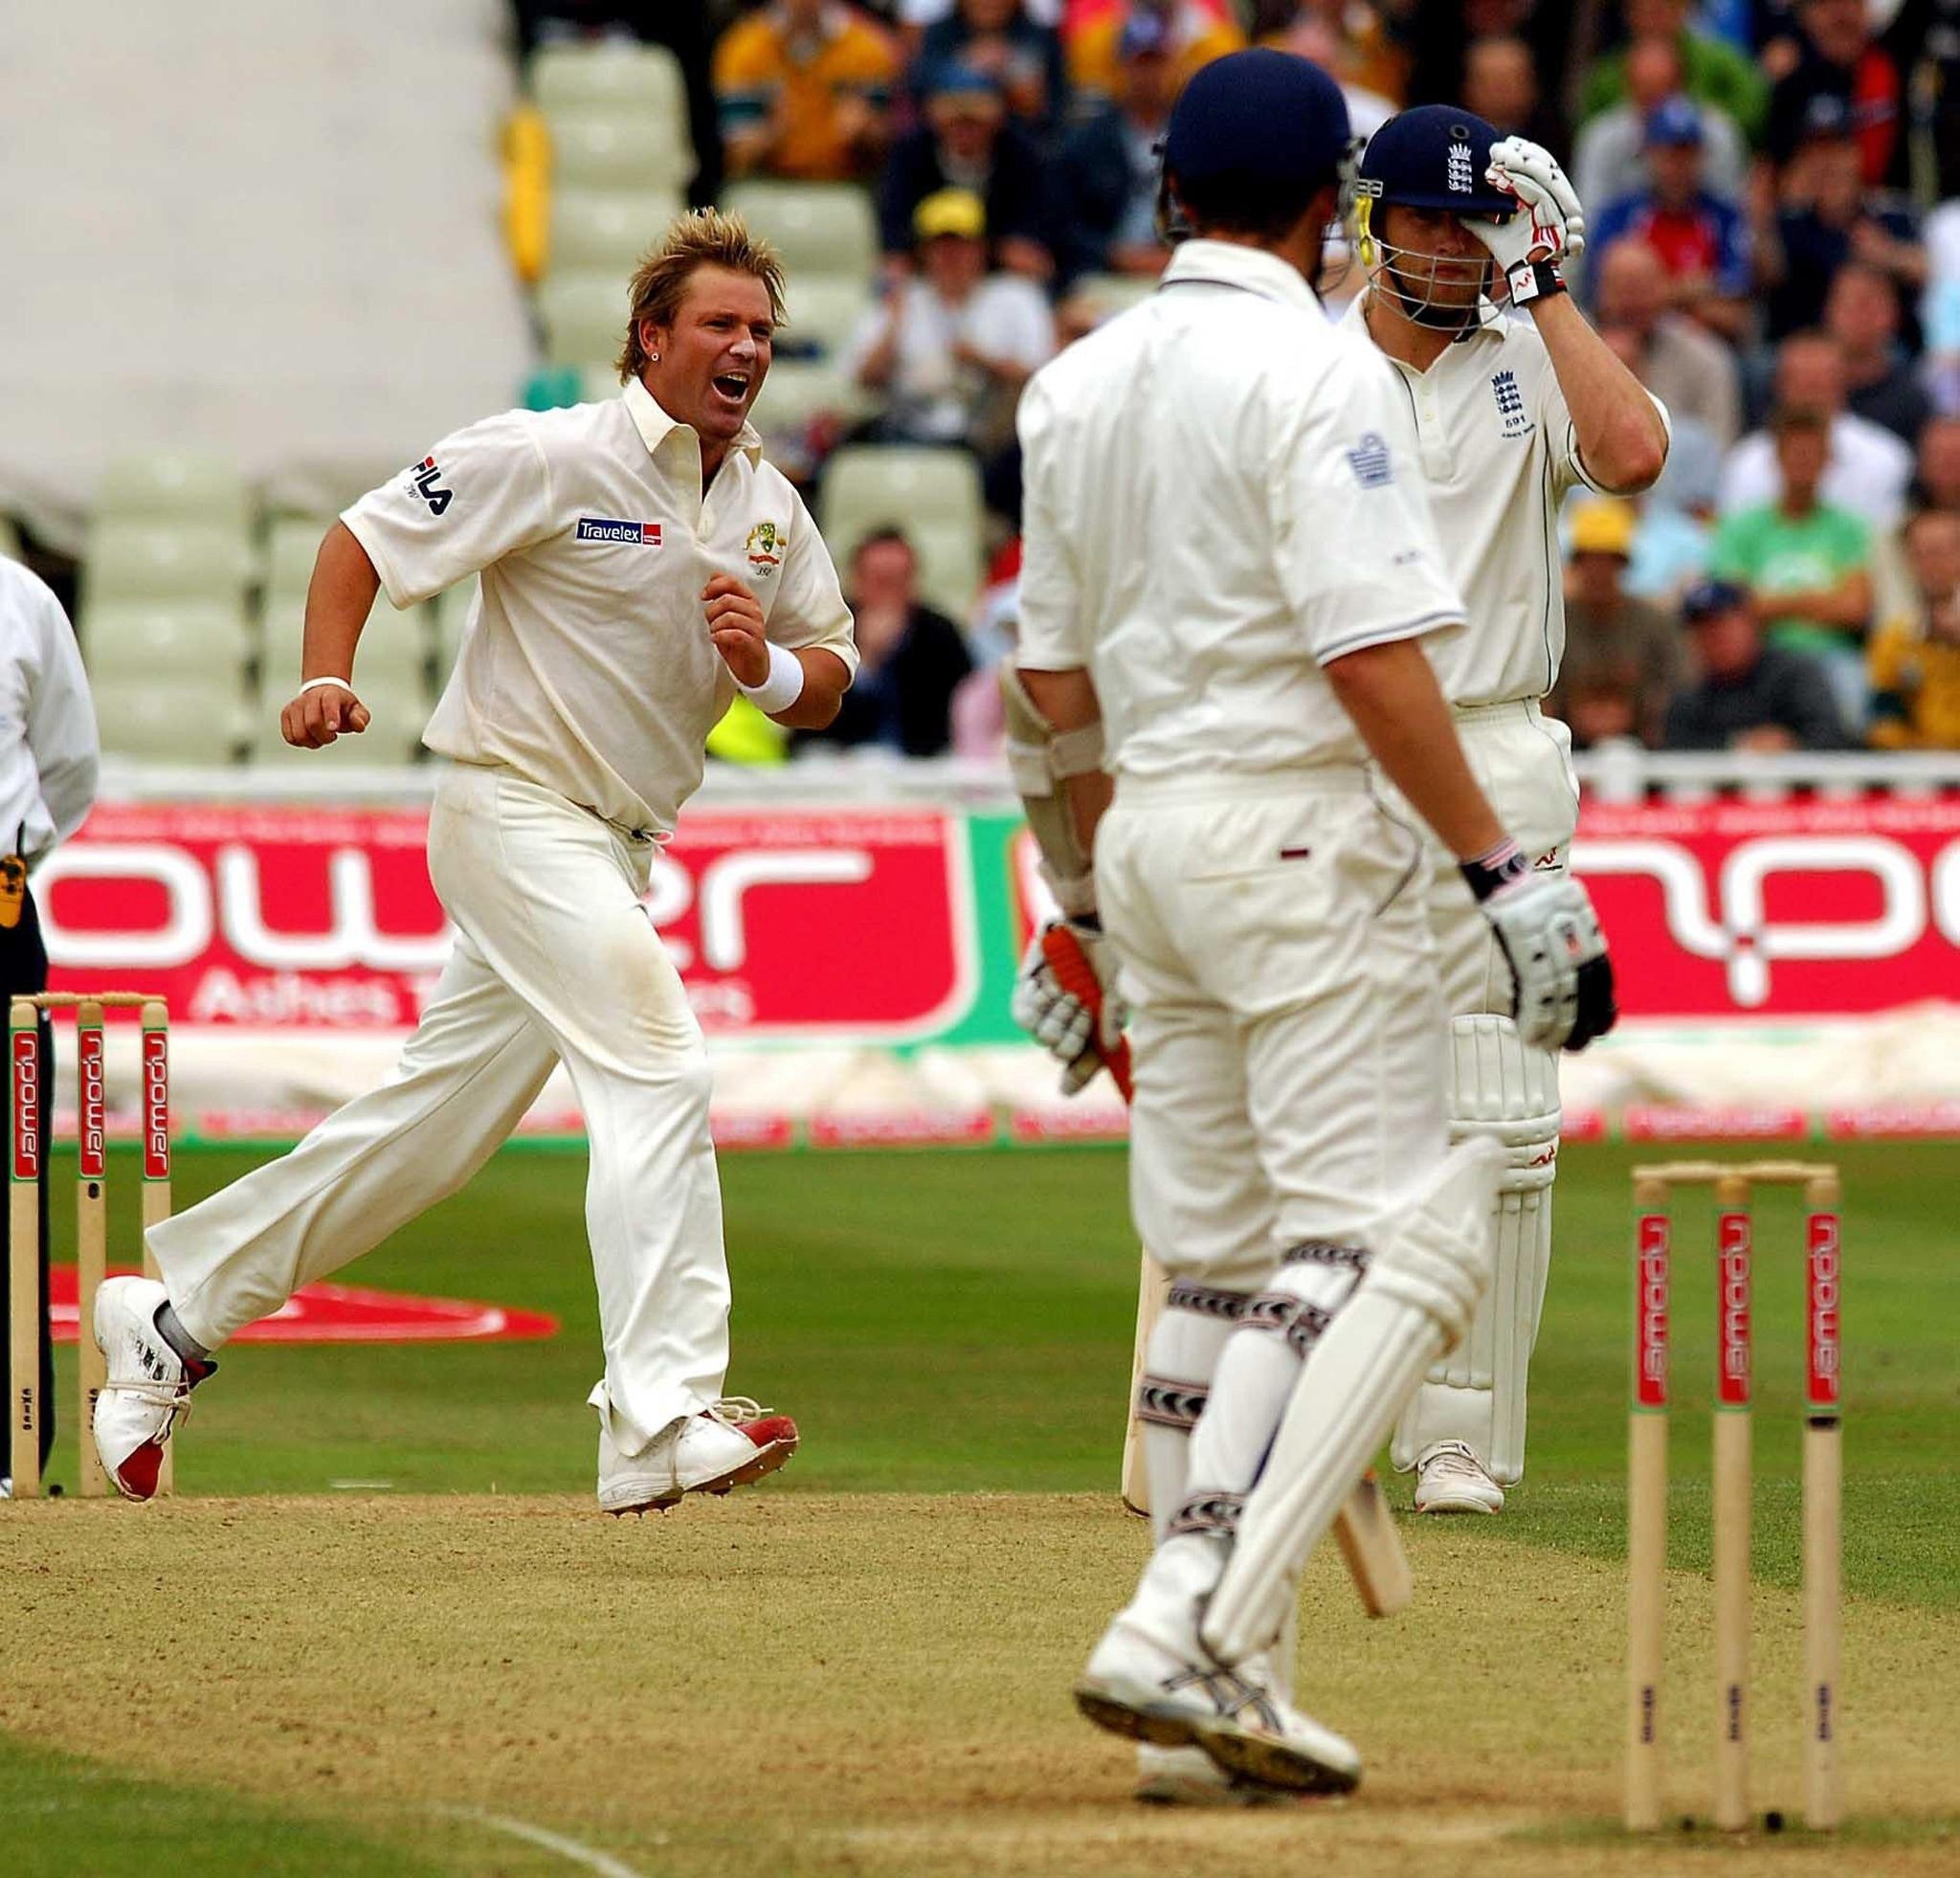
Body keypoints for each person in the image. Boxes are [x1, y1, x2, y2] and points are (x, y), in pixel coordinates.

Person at [1007, 50, 1616, 1802]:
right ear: (1327, 206)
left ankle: (1224, 1695)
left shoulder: (1074, 383)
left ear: (1169, 185)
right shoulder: (1317, 372)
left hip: (1148, 850)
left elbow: (1044, 684)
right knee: (1417, 1236)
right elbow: (1370, 655)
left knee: (1225, 1264)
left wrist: (1075, 906)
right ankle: (1190, 1604)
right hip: (1296, 840)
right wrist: (1504, 874)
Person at [87, 212, 858, 1510]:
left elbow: (824, 675)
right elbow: (365, 537)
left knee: (427, 1137)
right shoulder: (555, 452)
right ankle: (658, 1415)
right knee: (658, 1055)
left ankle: (168, 1317)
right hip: (509, 807)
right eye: (720, 324)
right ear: (652, 337)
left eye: (763, 331)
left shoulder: (767, 508)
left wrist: (762, 666)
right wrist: (325, 673)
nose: (747, 348)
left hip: (614, 847)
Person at [1339, 103, 1667, 1515]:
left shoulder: (1528, 341)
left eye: (1478, 228)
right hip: (1333, 749)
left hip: (1496, 748)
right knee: (1335, 1097)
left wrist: (1547, 289)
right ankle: (1327, 1410)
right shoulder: (1303, 359)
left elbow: (1636, 455)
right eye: (1431, 223)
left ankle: (1460, 1433)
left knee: (1502, 1105)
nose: (1457, 254)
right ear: (1376, 220)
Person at [0, 559, 98, 1496]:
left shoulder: (18, 597)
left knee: (12, 1183)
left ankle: (8, 1451)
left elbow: (69, 766)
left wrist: (13, 864)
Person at [1710, 406, 1874, 728]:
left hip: (1833, 656)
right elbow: (1736, 608)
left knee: (1853, 699)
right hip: (1759, 660)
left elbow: (1855, 609)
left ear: (1828, 460)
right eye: (1795, 453)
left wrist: (1774, 603)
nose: (1803, 463)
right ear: (1777, 458)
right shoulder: (1741, 528)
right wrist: (1819, 601)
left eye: (1812, 454)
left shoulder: (1850, 529)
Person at [795, 527, 974, 754]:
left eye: (899, 581)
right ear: (856, 581)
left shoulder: (940, 635)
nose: (889, 593)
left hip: (918, 761)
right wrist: (866, 663)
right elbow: (811, 718)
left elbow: (952, 718)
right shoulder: (826, 628)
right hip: (838, 757)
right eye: (881, 581)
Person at [1587, 96, 1749, 343]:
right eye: (1669, 154)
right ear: (1650, 154)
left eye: (1687, 153)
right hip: (1630, 342)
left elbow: (1734, 312)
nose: (1678, 165)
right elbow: (1605, 300)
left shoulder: (1724, 217)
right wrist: (1692, 289)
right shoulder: (1619, 215)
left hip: (1709, 343)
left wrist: (1651, 294)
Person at [1719, 330, 1913, 533]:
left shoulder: (1886, 457)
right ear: (1779, 385)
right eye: (1801, 381)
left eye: (1821, 381)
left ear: (1843, 384)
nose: (1810, 392)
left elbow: (1884, 543)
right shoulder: (1745, 461)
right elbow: (1736, 542)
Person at [878, 61, 1051, 278]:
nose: (965, 129)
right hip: (927, 268)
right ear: (931, 115)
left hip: (1000, 272)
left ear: (999, 115)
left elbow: (1034, 226)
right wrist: (902, 254)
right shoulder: (910, 155)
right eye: (955, 121)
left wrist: (1006, 248)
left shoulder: (1023, 156)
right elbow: (895, 222)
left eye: (975, 121)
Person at [1048, 11, 1179, 290]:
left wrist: (1177, 254)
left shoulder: (1192, 136)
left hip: (1177, 270)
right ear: (1120, 68)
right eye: (1139, 63)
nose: (1148, 75)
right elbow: (1066, 227)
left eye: (1156, 63)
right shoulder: (1087, 143)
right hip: (1106, 274)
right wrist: (1115, 254)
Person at [713, 0, 900, 183]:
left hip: (844, 185)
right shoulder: (744, 49)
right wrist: (774, 131)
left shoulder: (867, 49)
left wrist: (864, 131)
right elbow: (736, 158)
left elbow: (889, 148)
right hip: (765, 183)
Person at [1572, 34, 1747, 223]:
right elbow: (1585, 224)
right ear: (1629, 89)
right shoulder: (1600, 139)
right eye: (1646, 96)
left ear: (1682, 86)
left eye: (1662, 95)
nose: (1655, 109)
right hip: (1622, 246)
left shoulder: (1717, 135)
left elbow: (1732, 218)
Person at [1663, 577, 1850, 750]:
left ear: (1751, 623)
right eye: (1702, 630)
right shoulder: (1690, 692)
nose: (1714, 638)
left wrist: (1790, 744)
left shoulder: (1794, 675)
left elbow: (1831, 736)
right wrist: (1738, 744)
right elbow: (1674, 745)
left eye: (1722, 625)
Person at [1554, 499, 1682, 748]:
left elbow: (1679, 684)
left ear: (1622, 565)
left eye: (1608, 562)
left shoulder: (1653, 622)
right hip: (1567, 741)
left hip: (1645, 745)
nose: (1598, 571)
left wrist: (1635, 711)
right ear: (1577, 564)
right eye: (1590, 561)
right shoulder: (1556, 621)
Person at [1592, 237, 1739, 449]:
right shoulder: (1567, 350)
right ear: (1601, 292)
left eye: (1642, 289)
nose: (1632, 302)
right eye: (1622, 289)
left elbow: (1719, 448)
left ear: (1665, 289)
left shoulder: (1705, 358)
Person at [1868, 507, 1960, 749]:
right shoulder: (1895, 638)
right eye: (1922, 553)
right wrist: (1919, 749)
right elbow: (1883, 721)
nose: (1934, 564)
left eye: (1944, 551)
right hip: (1922, 773)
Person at [1824, 262, 1931, 448]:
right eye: (1850, 305)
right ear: (1829, 311)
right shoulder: (1792, 384)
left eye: (1870, 306)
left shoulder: (1913, 398)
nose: (1861, 317)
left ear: (1894, 315)